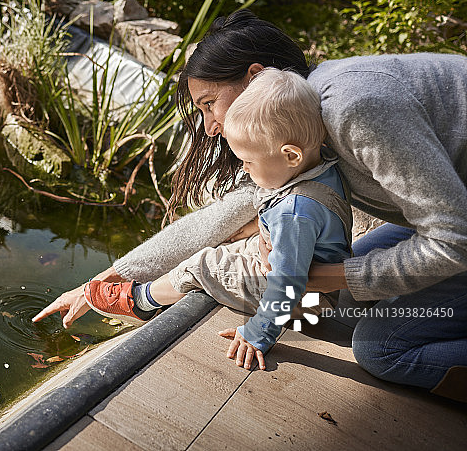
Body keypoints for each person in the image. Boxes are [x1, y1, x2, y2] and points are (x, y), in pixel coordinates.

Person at [33, 9, 467, 401]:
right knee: (363, 297)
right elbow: (220, 219)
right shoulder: (301, 130)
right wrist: (103, 281)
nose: (208, 127)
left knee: (379, 348)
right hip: (451, 215)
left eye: (208, 104)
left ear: (255, 77)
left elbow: (454, 240)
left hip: (457, 230)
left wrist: (324, 277)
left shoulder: (356, 109)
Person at [82, 68, 352, 370]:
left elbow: (287, 285)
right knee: (230, 250)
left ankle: (140, 302)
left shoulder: (295, 211)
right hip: (307, 281)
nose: (246, 170)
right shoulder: (319, 169)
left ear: (291, 156)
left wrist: (258, 333)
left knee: (203, 265)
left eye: (249, 161)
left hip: (309, 302)